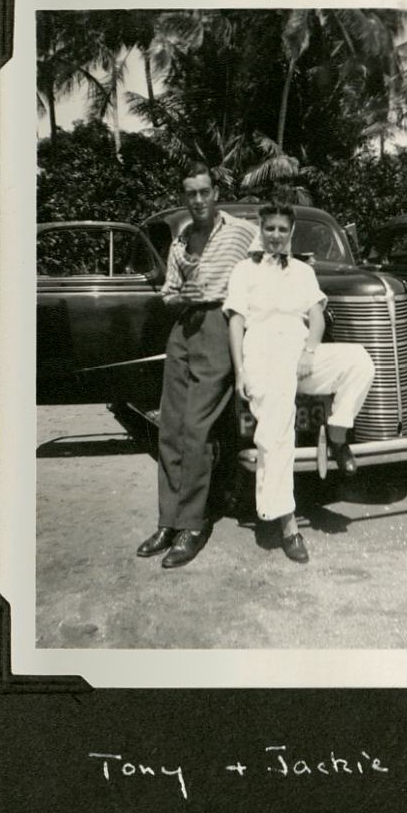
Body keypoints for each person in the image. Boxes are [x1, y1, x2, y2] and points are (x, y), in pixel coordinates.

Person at [224, 200, 376, 565]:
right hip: (262, 358)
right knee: (277, 434)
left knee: (359, 360)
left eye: (282, 229)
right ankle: (288, 523)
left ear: (291, 233)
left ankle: (337, 435)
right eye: (270, 228)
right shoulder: (244, 271)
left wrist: (310, 351)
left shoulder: (303, 272)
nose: (276, 235)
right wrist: (241, 371)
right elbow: (235, 322)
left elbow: (317, 318)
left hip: (300, 355)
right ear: (261, 230)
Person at [136, 169, 260, 568]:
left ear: (216, 193)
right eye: (190, 193)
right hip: (183, 328)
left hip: (220, 327)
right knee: (170, 426)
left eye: (205, 191)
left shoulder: (242, 232)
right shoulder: (181, 239)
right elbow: (168, 293)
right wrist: (179, 296)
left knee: (196, 427)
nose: (198, 199)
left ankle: (193, 523)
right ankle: (167, 521)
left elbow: (267, 272)